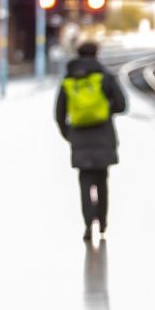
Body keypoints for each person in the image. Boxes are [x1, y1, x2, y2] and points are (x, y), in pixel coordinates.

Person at [55, 41, 127, 240]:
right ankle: (102, 223)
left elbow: (59, 114)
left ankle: (88, 224)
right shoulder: (105, 76)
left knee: (85, 182)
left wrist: (69, 135)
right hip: (103, 136)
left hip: (79, 138)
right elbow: (122, 105)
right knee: (102, 181)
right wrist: (104, 110)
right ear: (97, 53)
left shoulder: (69, 79)